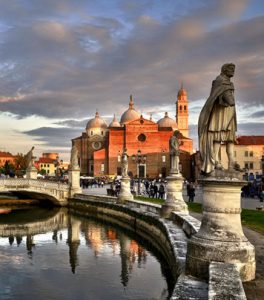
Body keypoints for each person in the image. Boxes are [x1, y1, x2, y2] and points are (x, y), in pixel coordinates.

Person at [198, 63, 237, 175]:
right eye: (231, 69)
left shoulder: (227, 82)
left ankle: (231, 163)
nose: (233, 71)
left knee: (230, 139)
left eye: (234, 69)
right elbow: (229, 100)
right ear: (224, 70)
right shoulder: (220, 81)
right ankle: (216, 162)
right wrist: (227, 93)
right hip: (220, 116)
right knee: (217, 138)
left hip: (229, 116)